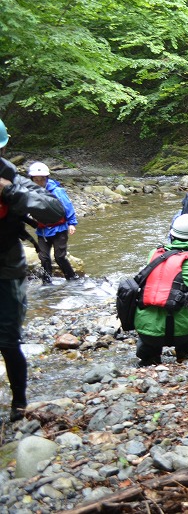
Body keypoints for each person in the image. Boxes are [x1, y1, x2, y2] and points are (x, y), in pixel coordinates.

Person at [0, 119, 65, 422]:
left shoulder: (11, 178)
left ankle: (19, 402)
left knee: (8, 340)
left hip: (6, 267)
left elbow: (54, 210)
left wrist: (12, 193)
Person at [134, 214, 188, 366]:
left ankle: (149, 355)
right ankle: (186, 352)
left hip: (148, 333)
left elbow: (173, 267)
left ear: (172, 235)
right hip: (182, 334)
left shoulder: (153, 254)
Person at [28, 162, 78, 283]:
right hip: (42, 231)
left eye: (41, 179)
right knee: (43, 257)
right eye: (36, 180)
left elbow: (67, 206)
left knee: (59, 257)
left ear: (46, 178)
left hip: (59, 229)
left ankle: (72, 278)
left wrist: (71, 223)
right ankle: (47, 282)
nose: (39, 182)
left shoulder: (57, 191)